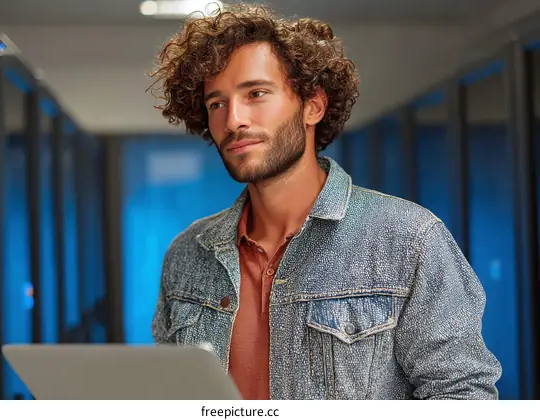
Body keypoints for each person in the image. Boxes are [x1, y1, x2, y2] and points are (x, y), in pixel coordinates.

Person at [149, 4, 502, 400]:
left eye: (256, 93)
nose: (233, 120)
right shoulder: (186, 254)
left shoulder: (409, 239)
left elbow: (462, 394)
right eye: (217, 103)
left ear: (313, 106)